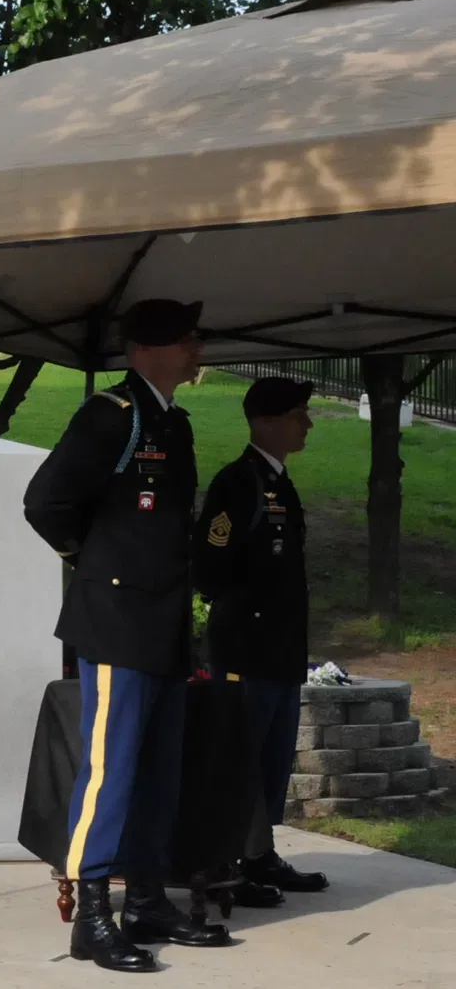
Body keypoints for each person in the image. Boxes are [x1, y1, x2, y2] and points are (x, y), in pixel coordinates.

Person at [24, 298, 233, 973]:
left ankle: (146, 898)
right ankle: (92, 915)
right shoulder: (109, 416)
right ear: (153, 346)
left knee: (157, 767)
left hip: (164, 621)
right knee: (109, 768)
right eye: (189, 339)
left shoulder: (172, 421)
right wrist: (96, 562)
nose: (199, 349)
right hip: (117, 619)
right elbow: (45, 500)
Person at [193, 377, 330, 901]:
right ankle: (229, 862)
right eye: (299, 413)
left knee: (271, 761)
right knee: (241, 760)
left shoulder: (280, 483)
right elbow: (210, 563)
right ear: (268, 421)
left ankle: (258, 855)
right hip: (246, 652)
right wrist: (248, 613)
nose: (309, 424)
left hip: (279, 651)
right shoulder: (238, 482)